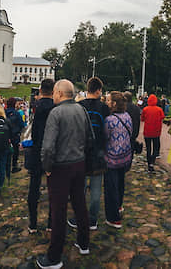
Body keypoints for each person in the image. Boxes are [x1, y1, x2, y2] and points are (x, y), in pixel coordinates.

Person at [36, 80, 90, 269]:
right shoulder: (81, 110)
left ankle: (54, 257)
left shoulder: (56, 112)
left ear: (58, 93)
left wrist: (47, 166)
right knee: (80, 203)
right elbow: (90, 136)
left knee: (58, 211)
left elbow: (48, 146)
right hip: (79, 163)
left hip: (60, 167)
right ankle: (84, 243)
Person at [75, 77, 108, 231]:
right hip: (99, 153)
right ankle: (93, 220)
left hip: (80, 152)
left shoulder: (79, 106)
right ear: (98, 90)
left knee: (79, 189)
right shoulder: (104, 108)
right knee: (95, 190)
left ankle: (79, 218)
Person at [28, 79, 55, 233]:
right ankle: (51, 222)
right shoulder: (55, 107)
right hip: (52, 150)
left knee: (34, 187)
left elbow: (34, 131)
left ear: (40, 90)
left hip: (38, 149)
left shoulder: (36, 106)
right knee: (53, 187)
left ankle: (33, 223)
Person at [102, 92, 132, 228]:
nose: (106, 102)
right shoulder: (127, 116)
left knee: (111, 188)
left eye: (108, 100)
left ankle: (113, 218)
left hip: (112, 158)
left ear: (114, 103)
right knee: (120, 184)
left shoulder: (109, 120)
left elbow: (105, 137)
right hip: (125, 157)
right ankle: (119, 206)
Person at [141, 94, 165, 172]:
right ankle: (153, 161)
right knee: (155, 147)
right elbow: (162, 117)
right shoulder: (159, 110)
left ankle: (149, 163)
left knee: (148, 148)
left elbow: (142, 119)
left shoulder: (145, 109)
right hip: (156, 132)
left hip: (147, 131)